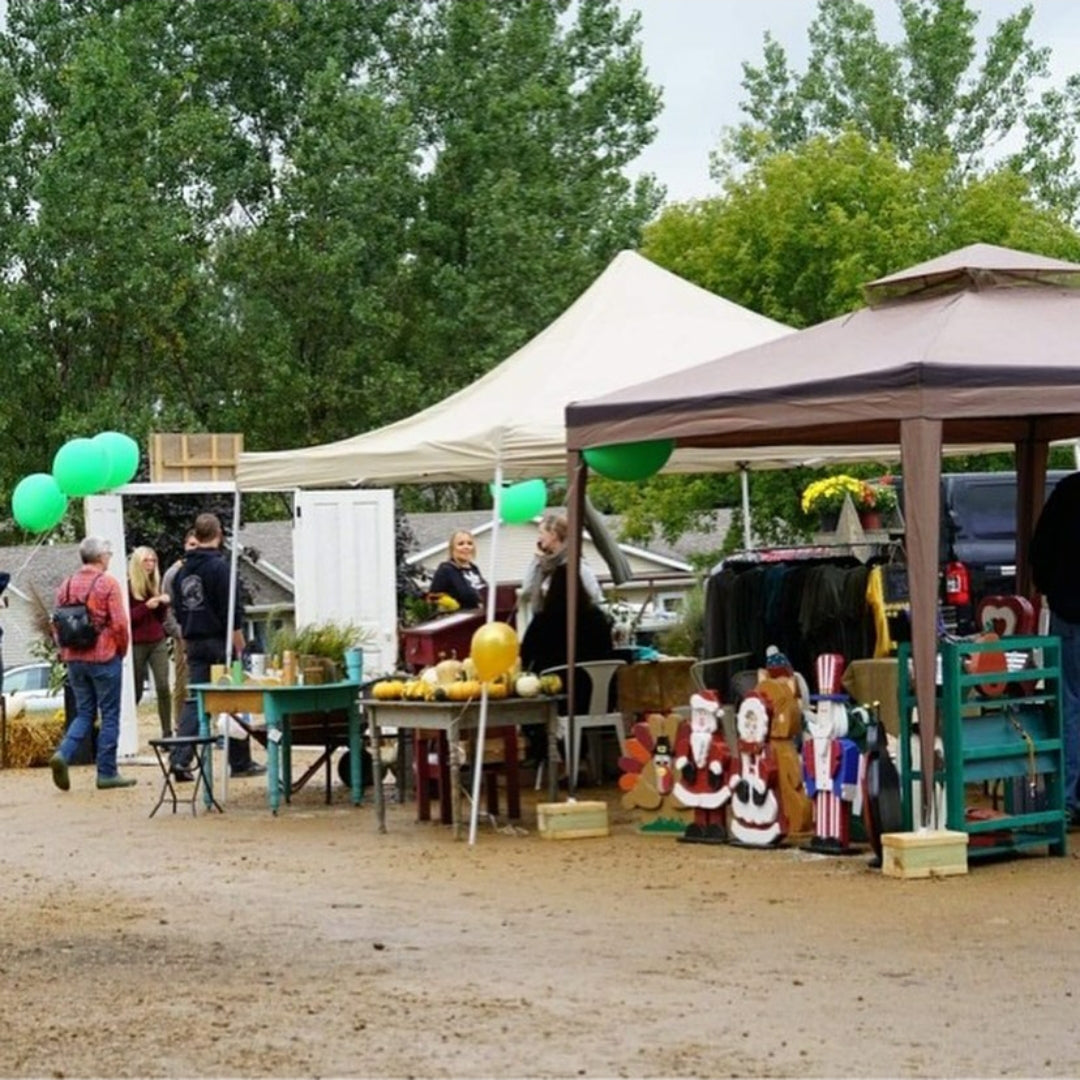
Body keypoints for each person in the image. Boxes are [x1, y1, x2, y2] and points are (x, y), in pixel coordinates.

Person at [170, 513, 265, 781]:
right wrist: (241, 648)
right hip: (219, 641)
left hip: (193, 641)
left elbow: (179, 611)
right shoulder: (221, 569)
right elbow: (231, 613)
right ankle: (240, 760)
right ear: (219, 534)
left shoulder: (181, 572)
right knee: (232, 698)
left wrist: (187, 643)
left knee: (195, 700)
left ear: (196, 536)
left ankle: (180, 758)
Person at [518, 510, 614, 762]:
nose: (538, 537)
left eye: (541, 532)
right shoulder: (544, 566)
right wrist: (536, 560)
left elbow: (526, 653)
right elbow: (527, 590)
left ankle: (549, 755)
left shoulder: (578, 566)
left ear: (554, 534)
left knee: (532, 691)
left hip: (563, 687)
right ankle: (572, 756)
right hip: (592, 687)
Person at [48, 536, 135, 791]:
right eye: (108, 552)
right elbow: (119, 623)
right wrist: (121, 649)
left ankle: (64, 753)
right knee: (110, 715)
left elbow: (56, 623)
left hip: (74, 657)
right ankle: (107, 772)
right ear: (99, 557)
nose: (109, 557)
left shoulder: (65, 585)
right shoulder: (107, 584)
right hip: (103, 656)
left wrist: (64, 650)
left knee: (85, 712)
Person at [1030, 471, 1080, 826]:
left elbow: (1040, 550)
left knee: (1072, 706)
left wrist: (1052, 589)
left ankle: (1069, 798)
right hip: (1069, 607)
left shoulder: (1068, 492)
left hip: (1071, 612)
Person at [128, 546, 173, 739]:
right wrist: (146, 607)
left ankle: (167, 731)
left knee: (163, 685)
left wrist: (163, 604)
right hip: (137, 642)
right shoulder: (129, 586)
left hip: (156, 640)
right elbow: (128, 618)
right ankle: (127, 731)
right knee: (135, 689)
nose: (150, 564)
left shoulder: (155, 584)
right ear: (137, 563)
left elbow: (160, 617)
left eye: (153, 561)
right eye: (146, 561)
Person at [162, 530, 196, 724]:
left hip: (203, 634)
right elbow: (166, 610)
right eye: (191, 544)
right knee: (182, 684)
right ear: (185, 546)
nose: (194, 548)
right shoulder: (173, 574)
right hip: (182, 634)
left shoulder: (205, 569)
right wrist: (179, 634)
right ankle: (180, 724)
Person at [428, 529, 487, 610]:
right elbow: (433, 598)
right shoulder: (446, 569)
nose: (466, 547)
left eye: (469, 543)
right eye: (460, 544)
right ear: (452, 548)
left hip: (480, 616)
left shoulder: (474, 568)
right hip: (459, 618)